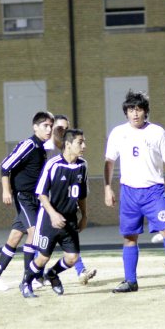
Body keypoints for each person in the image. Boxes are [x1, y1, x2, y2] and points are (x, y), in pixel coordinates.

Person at [104, 89, 165, 292]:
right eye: (131, 110)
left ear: (145, 111)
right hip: (129, 192)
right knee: (129, 237)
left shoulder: (157, 132)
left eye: (139, 109)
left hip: (153, 192)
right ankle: (130, 281)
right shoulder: (118, 133)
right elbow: (109, 162)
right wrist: (107, 187)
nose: (135, 113)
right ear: (126, 112)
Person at [0, 111, 53, 291]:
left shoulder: (42, 149)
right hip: (23, 197)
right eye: (45, 125)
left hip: (35, 199)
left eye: (50, 126)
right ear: (35, 127)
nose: (49, 129)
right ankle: (29, 278)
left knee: (15, 237)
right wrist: (6, 190)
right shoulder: (29, 145)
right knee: (34, 233)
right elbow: (5, 166)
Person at [20, 129, 90, 298]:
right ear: (68, 145)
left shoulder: (82, 165)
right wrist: (53, 214)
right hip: (49, 221)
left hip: (70, 220)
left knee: (72, 258)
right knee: (42, 258)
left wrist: (84, 216)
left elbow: (81, 195)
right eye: (80, 142)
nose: (84, 146)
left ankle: (51, 274)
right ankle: (26, 282)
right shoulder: (53, 164)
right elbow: (41, 194)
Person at [45, 114, 97, 286]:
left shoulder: (75, 153)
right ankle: (33, 276)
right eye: (59, 128)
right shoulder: (46, 149)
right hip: (45, 204)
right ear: (52, 129)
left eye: (66, 128)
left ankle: (79, 270)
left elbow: (80, 190)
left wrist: (84, 214)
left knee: (70, 239)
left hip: (66, 206)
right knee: (35, 242)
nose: (63, 130)